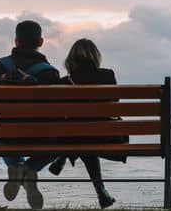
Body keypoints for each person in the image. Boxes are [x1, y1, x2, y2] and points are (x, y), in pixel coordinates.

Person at [0, 20, 61, 210]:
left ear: (16, 41)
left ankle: (16, 166)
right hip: (42, 139)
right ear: (41, 42)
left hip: (7, 137)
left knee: (5, 134)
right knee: (60, 141)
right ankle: (29, 169)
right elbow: (59, 111)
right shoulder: (50, 73)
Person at [49, 38, 121, 208]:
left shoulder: (64, 82)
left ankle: (64, 155)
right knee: (89, 140)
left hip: (72, 136)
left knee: (81, 136)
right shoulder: (107, 75)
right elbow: (115, 104)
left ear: (71, 58)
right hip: (104, 135)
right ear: (95, 56)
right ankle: (101, 190)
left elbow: (58, 114)